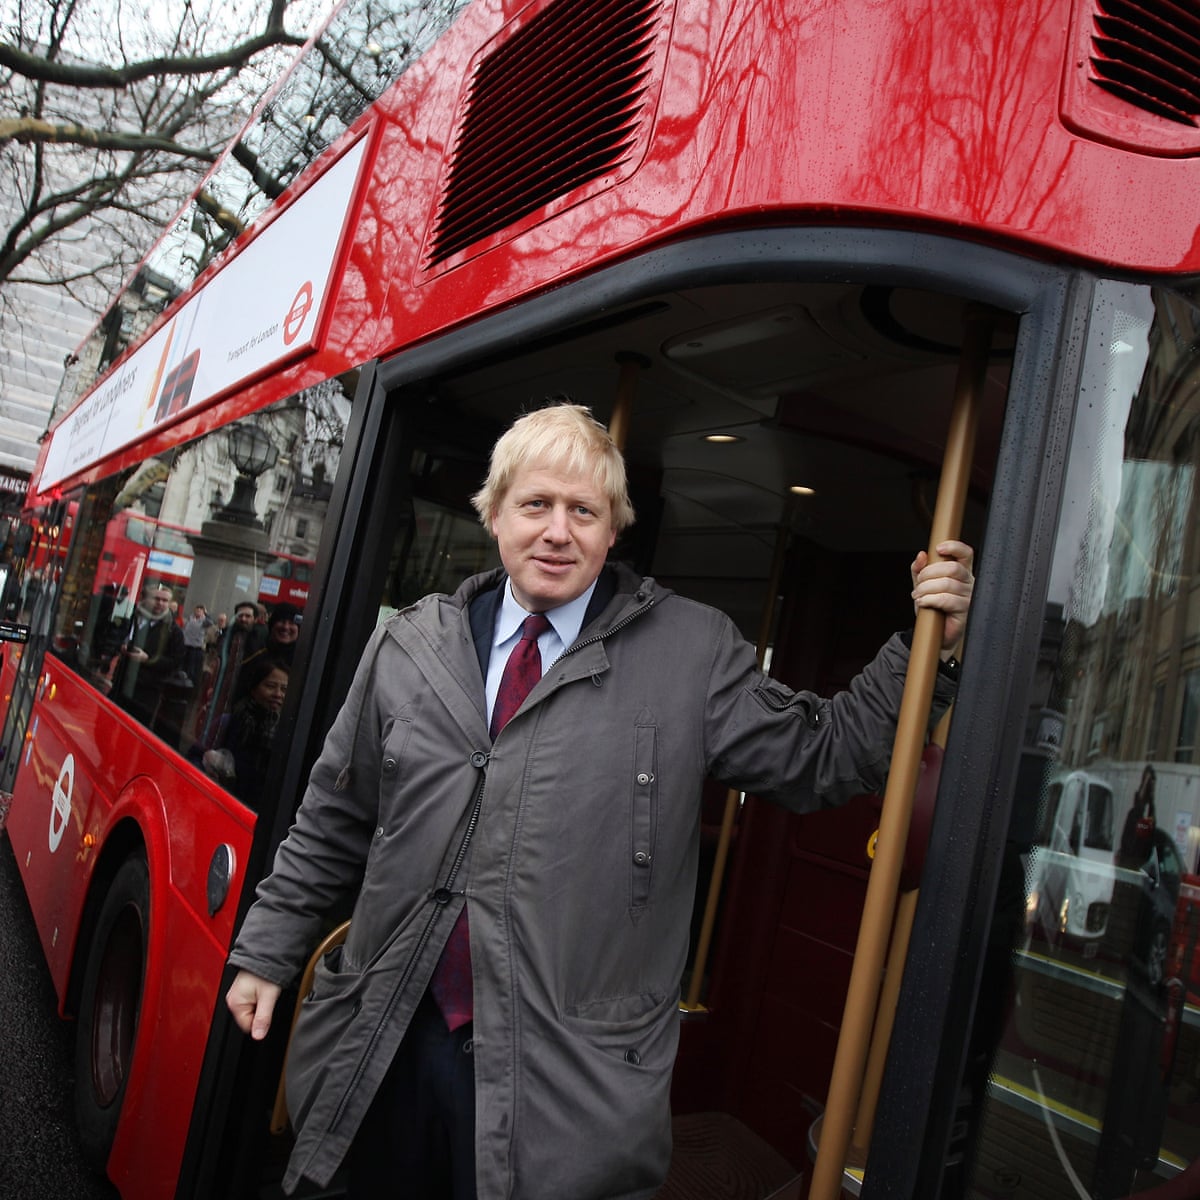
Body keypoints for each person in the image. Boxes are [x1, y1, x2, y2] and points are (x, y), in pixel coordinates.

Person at [225, 403, 974, 1200]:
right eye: (536, 505)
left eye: (584, 511)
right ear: (495, 513)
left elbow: (823, 756)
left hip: (561, 1090)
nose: (558, 531)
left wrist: (931, 647)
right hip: (386, 1043)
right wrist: (268, 953)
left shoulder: (692, 651)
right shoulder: (409, 644)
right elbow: (335, 820)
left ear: (613, 529)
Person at [202, 656, 288, 807]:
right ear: (254, 689)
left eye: (284, 689)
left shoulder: (287, 735)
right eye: (270, 686)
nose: (278, 694)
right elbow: (195, 755)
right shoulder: (228, 722)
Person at [109, 580, 186, 732]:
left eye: (165, 600)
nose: (161, 603)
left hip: (146, 693)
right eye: (156, 599)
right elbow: (115, 635)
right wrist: (121, 646)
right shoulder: (132, 617)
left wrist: (148, 659)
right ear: (145, 599)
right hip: (121, 684)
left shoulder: (173, 631)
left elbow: (175, 662)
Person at [182, 603, 213, 686]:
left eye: (201, 610)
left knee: (191, 670)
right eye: (197, 609)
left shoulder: (204, 621)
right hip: (186, 646)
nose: (198, 611)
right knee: (183, 668)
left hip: (195, 649)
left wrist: (206, 613)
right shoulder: (190, 619)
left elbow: (210, 622)